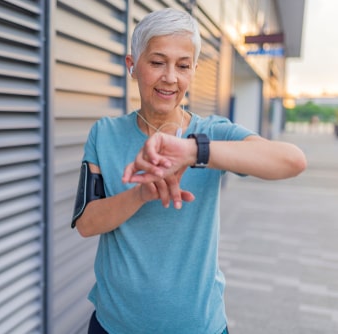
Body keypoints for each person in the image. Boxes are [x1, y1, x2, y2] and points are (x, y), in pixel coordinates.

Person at [71, 7, 307, 334]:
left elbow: (292, 160)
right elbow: (86, 223)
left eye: (183, 66)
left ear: (194, 71)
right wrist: (142, 192)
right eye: (157, 62)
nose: (170, 77)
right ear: (132, 66)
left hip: (198, 326)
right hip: (113, 325)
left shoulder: (213, 133)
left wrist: (193, 150)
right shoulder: (105, 133)